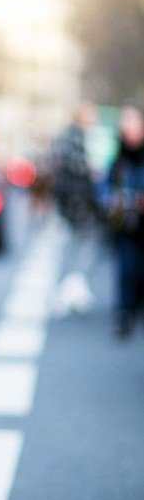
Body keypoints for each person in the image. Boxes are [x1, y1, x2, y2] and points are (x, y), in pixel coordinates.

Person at [50, 100, 102, 316]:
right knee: (83, 246)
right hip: (79, 203)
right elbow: (81, 170)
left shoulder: (67, 137)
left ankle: (71, 287)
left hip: (70, 203)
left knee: (75, 246)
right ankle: (72, 288)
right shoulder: (77, 138)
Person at [106, 104, 144, 337]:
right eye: (124, 122)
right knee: (126, 269)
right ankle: (124, 313)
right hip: (126, 227)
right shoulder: (118, 156)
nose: (127, 127)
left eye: (132, 121)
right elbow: (107, 187)